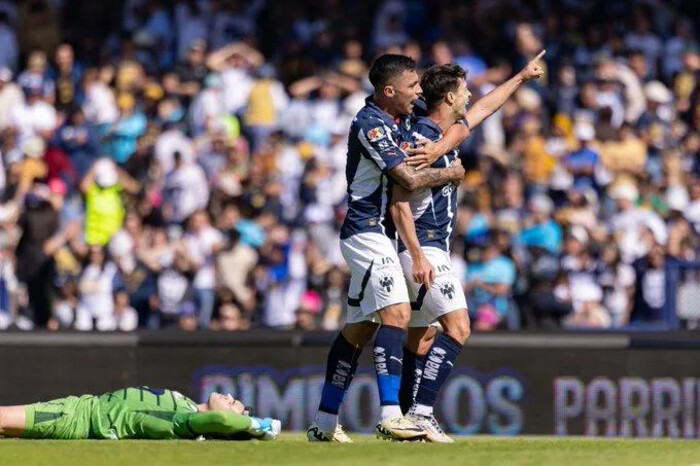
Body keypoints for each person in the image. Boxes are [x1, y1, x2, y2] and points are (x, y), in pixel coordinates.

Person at [307, 54, 468, 443]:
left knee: (358, 330)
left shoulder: (406, 116)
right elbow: (406, 178)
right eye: (412, 86)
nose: (418, 92)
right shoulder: (369, 124)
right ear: (389, 90)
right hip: (365, 231)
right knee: (396, 313)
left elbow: (462, 120)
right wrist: (450, 171)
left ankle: (324, 421)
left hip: (384, 236)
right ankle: (392, 415)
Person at [390, 55, 545, 441]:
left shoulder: (445, 131)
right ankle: (421, 414)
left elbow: (484, 108)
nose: (469, 95)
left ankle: (407, 416)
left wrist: (521, 76)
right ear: (447, 97)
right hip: (422, 248)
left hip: (423, 249)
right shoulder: (421, 138)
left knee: (421, 337)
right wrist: (419, 254)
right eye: (462, 90)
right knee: (458, 327)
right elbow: (399, 198)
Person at [0, 386, 280, 441]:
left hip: (79, 418)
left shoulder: (184, 422)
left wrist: (256, 424)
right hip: (81, 406)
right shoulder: (185, 404)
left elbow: (221, 419)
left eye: (234, 403)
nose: (229, 397)